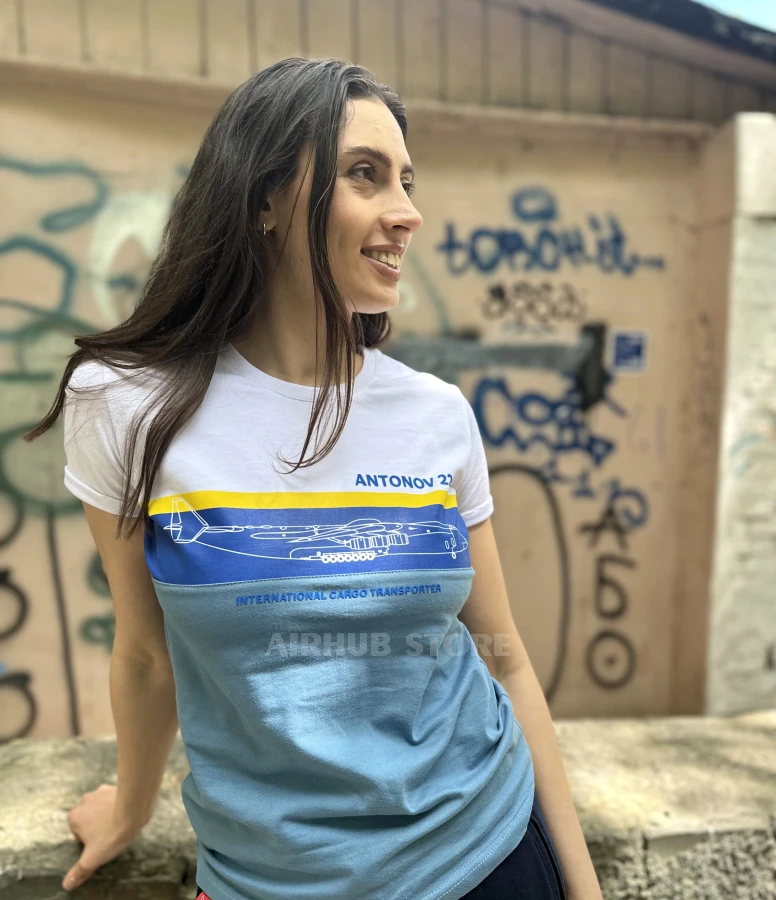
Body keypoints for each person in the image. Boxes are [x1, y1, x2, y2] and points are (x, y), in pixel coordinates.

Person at [27, 57, 602, 900]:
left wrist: (582, 887)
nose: (406, 212)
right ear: (264, 197)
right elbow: (146, 654)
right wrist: (131, 809)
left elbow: (504, 660)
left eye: (407, 181)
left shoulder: (436, 414)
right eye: (365, 174)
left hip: (488, 856)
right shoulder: (124, 403)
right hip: (264, 880)